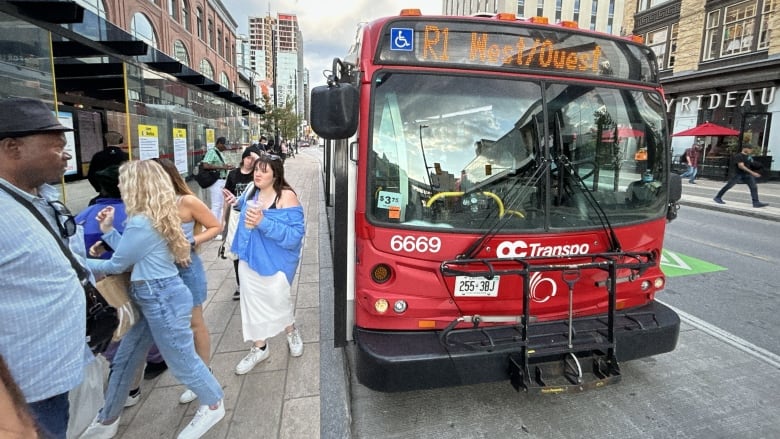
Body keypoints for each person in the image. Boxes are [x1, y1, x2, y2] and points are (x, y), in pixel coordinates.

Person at [80, 160, 224, 439]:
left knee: (181, 359)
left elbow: (116, 264)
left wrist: (73, 259)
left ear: (136, 186)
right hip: (156, 295)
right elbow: (136, 252)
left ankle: (213, 402)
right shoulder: (153, 217)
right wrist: (109, 231)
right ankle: (107, 419)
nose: (120, 185)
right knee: (126, 358)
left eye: (124, 181)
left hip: (159, 297)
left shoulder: (142, 222)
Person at [0, 96, 91, 439]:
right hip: (24, 397)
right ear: (13, 147)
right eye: (56, 146)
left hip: (54, 376)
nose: (67, 154)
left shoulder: (40, 196)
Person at [223, 153, 306, 375]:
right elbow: (243, 206)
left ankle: (291, 331)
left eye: (263, 170)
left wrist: (263, 222)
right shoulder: (252, 190)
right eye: (256, 169)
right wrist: (234, 202)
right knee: (251, 304)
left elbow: (295, 235)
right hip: (249, 258)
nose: (257, 173)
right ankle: (259, 347)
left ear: (275, 175)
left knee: (278, 299)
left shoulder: (286, 197)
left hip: (276, 262)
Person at [151, 157, 221, 405]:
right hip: (158, 271)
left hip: (186, 267)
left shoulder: (187, 201)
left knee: (194, 322)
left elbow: (215, 226)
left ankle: (203, 374)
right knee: (173, 325)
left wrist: (191, 242)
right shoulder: (148, 204)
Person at [222, 146, 262, 300]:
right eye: (248, 157)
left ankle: (252, 284)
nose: (250, 161)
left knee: (251, 250)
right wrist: (223, 221)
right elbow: (229, 199)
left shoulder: (256, 176)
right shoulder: (233, 175)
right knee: (236, 252)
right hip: (235, 216)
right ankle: (241, 285)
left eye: (254, 159)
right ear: (243, 158)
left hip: (252, 217)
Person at [713, 144, 768, 208]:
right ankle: (717, 197)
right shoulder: (738, 156)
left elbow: (751, 163)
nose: (751, 151)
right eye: (750, 149)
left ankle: (756, 202)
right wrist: (752, 173)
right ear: (745, 148)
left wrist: (758, 166)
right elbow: (741, 166)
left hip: (747, 175)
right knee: (728, 186)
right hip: (738, 174)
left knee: (754, 187)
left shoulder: (748, 156)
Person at [199, 136, 233, 234]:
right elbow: (205, 165)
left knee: (222, 205)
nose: (225, 148)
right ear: (219, 143)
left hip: (221, 181)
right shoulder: (212, 152)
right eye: (224, 145)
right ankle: (212, 229)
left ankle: (219, 226)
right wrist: (222, 167)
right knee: (216, 205)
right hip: (216, 181)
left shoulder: (219, 153)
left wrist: (226, 167)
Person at [87, 131, 128, 204]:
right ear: (120, 142)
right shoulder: (126, 156)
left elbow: (91, 175)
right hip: (123, 192)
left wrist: (99, 188)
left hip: (104, 192)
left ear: (106, 141)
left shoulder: (98, 156)